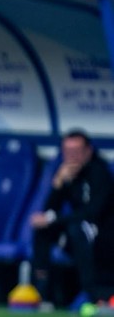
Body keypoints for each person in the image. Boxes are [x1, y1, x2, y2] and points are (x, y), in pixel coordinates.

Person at [30, 130, 114, 308]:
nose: (72, 156)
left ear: (88, 151)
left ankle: (93, 295)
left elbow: (93, 212)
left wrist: (54, 219)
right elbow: (50, 210)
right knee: (43, 231)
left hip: (103, 235)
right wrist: (58, 183)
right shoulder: (67, 172)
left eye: (76, 151)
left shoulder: (100, 172)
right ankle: (42, 295)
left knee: (77, 229)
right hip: (75, 231)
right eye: (67, 152)